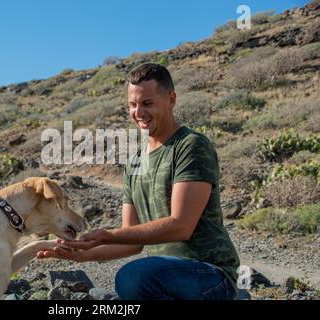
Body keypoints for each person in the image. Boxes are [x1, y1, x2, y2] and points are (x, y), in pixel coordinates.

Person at [37, 63, 240, 300]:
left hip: (210, 275)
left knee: (133, 278)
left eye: (147, 103)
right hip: (165, 276)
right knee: (135, 282)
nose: (138, 113)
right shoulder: (134, 163)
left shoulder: (190, 146)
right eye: (132, 105)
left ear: (171, 99)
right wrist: (83, 253)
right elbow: (130, 241)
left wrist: (108, 235)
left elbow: (182, 225)